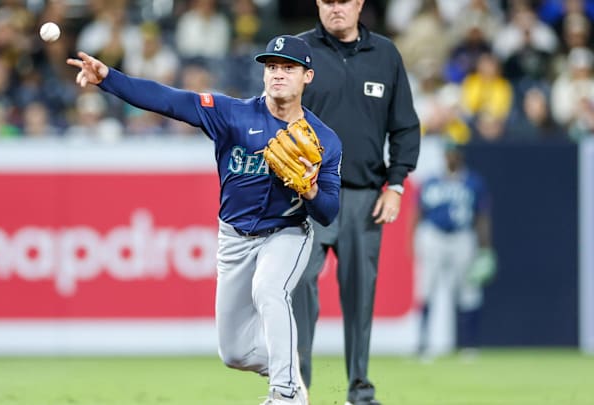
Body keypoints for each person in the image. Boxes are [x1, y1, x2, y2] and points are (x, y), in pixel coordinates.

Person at [67, 34, 342, 405]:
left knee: (269, 289)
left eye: (288, 68)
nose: (278, 74)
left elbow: (328, 211)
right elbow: (171, 101)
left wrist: (309, 190)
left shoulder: (324, 139)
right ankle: (288, 373)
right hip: (234, 238)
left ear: (307, 76)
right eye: (272, 67)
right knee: (234, 353)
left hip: (287, 233)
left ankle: (286, 393)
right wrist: (109, 79)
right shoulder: (233, 113)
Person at [291, 1, 421, 404]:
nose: (336, 8)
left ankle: (359, 390)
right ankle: (294, 388)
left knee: (361, 296)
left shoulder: (385, 54)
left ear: (360, 3)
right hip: (307, 197)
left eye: (343, 0)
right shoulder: (297, 51)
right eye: (328, 0)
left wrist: (396, 186)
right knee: (298, 291)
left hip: (365, 197)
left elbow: (405, 126)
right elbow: (273, 113)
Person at [413, 141, 495, 360]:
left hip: (462, 236)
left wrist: (485, 247)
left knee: (469, 291)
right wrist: (412, 241)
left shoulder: (473, 181)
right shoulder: (431, 181)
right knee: (426, 288)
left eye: (455, 154)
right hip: (434, 235)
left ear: (461, 156)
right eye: (448, 154)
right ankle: (423, 344)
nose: (451, 158)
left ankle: (470, 345)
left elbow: (482, 216)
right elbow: (417, 212)